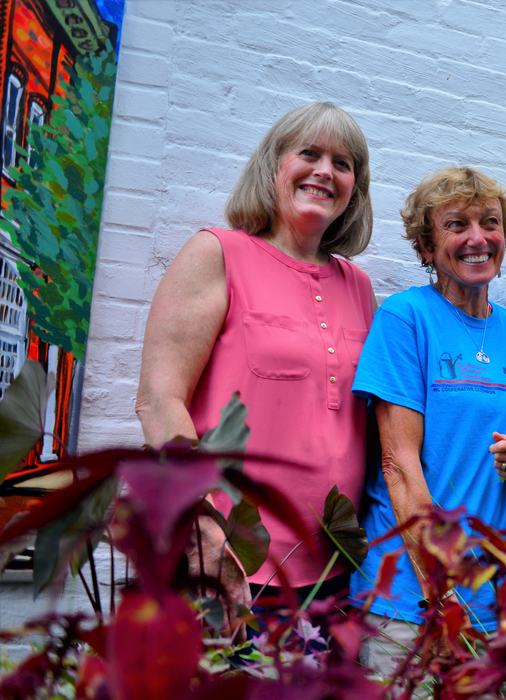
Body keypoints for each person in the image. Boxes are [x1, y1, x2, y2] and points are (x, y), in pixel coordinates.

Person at [136, 101, 376, 614]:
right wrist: (201, 527)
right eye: (308, 153)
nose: (324, 172)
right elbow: (159, 400)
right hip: (230, 564)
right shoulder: (217, 253)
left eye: (342, 163)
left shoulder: (358, 286)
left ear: (356, 185)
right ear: (273, 166)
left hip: (334, 570)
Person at [349, 167, 506, 672]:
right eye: (457, 225)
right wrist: (441, 595)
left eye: (490, 223)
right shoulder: (406, 318)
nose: (477, 238)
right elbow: (399, 465)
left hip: (494, 596)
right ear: (425, 246)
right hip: (412, 596)